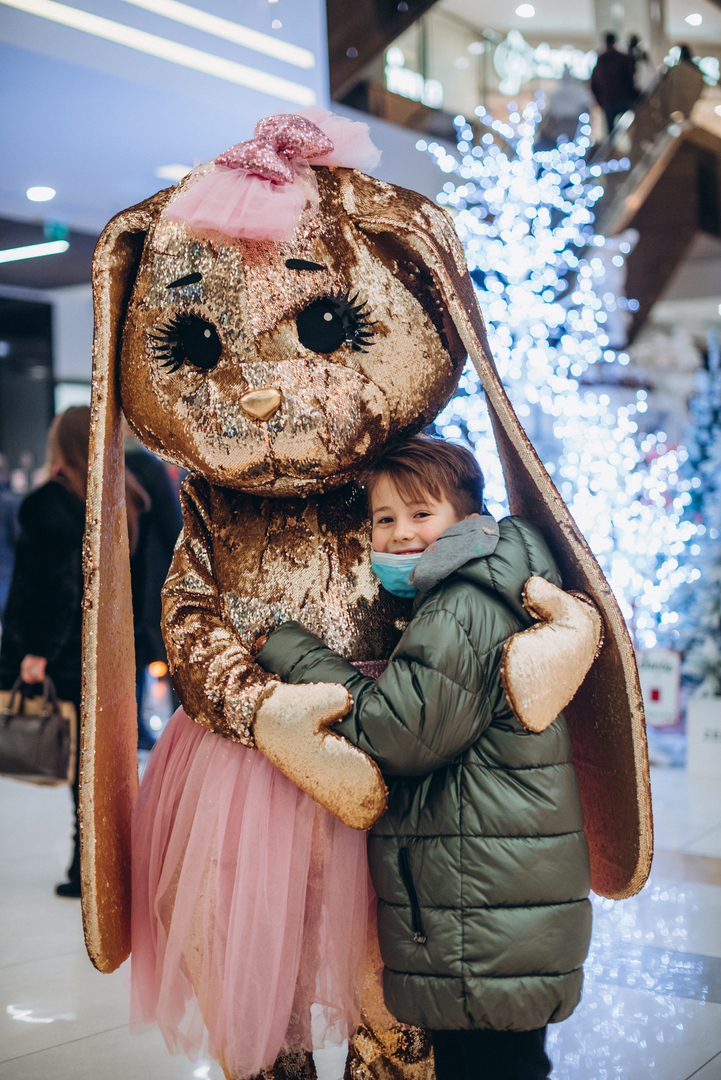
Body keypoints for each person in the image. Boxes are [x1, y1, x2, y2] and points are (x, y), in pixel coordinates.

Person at [256, 436, 593, 1080]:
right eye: (385, 519)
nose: (402, 533)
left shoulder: (464, 604)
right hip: (495, 898)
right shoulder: (484, 582)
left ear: (467, 519)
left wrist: (299, 656)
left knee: (491, 1067)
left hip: (484, 909)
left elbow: (399, 732)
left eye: (421, 513)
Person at [0, 406, 148, 897]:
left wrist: (36, 651)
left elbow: (51, 590)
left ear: (61, 445)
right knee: (105, 764)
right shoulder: (122, 500)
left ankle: (88, 868)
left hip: (66, 655)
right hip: (111, 654)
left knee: (80, 767)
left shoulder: (51, 506)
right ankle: (106, 863)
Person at [591, 32, 637, 134]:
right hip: (623, 99)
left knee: (610, 133)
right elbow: (630, 79)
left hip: (608, 101)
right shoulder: (622, 58)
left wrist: (600, 100)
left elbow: (594, 83)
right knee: (630, 130)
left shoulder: (601, 60)